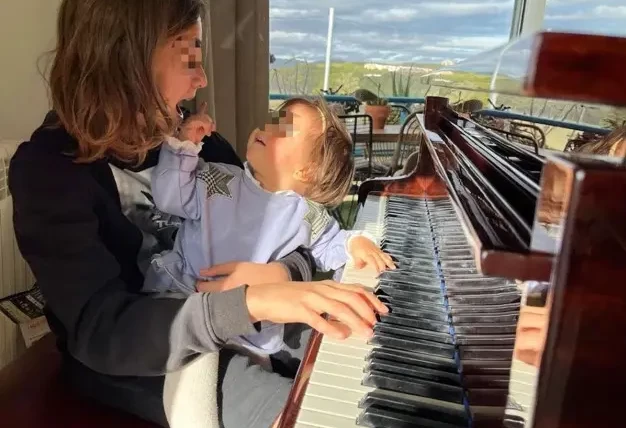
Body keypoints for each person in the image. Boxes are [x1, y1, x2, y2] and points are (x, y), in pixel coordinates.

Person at [8, 1, 387, 427]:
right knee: (318, 413)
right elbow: (101, 329)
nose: (202, 78)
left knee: (361, 354)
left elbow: (282, 220)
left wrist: (286, 273)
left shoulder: (196, 139)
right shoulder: (48, 169)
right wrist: (248, 302)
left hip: (239, 319)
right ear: (124, 57)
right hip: (141, 356)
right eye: (187, 53)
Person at [145, 97, 395, 356]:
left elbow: (331, 245)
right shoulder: (216, 179)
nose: (268, 126)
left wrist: (356, 242)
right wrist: (184, 145)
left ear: (306, 171)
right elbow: (169, 198)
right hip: (185, 304)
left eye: (285, 129)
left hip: (253, 330)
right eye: (275, 118)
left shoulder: (305, 213)